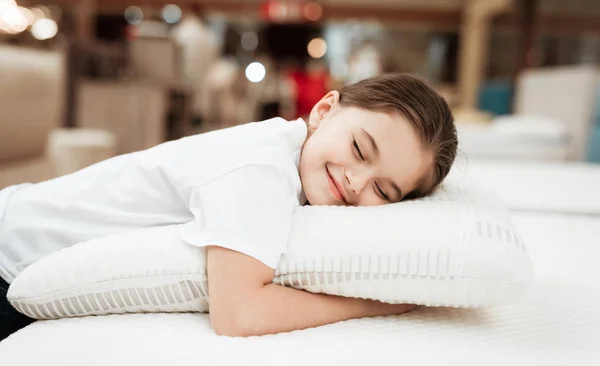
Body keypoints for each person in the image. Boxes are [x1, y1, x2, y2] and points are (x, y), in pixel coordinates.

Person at [0, 73, 457, 340]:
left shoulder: (293, 162)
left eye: (385, 192)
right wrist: (376, 303)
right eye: (360, 149)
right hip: (8, 253)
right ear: (323, 110)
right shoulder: (259, 169)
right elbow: (239, 314)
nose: (357, 182)